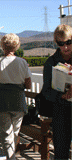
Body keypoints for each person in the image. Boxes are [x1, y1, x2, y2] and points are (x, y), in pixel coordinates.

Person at [0, 33, 32, 160]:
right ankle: (11, 157)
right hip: (18, 101)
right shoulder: (23, 62)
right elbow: (28, 85)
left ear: (2, 46)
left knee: (6, 134)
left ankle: (10, 158)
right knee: (15, 133)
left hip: (1, 101)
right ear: (17, 46)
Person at [41, 24, 72, 159]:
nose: (65, 47)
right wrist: (61, 96)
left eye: (69, 42)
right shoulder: (51, 62)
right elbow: (46, 91)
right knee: (60, 152)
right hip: (61, 113)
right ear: (56, 43)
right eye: (61, 43)